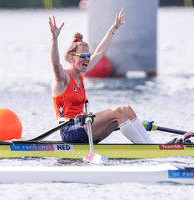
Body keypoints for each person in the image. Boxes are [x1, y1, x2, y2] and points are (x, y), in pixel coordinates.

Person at [49, 8, 154, 144]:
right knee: (117, 111)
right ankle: (146, 149)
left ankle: (150, 146)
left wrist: (113, 29)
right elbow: (55, 63)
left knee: (126, 109)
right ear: (71, 58)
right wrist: (54, 38)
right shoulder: (62, 78)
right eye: (83, 56)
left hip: (83, 126)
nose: (87, 59)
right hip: (70, 131)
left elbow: (99, 52)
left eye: (88, 56)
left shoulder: (81, 74)